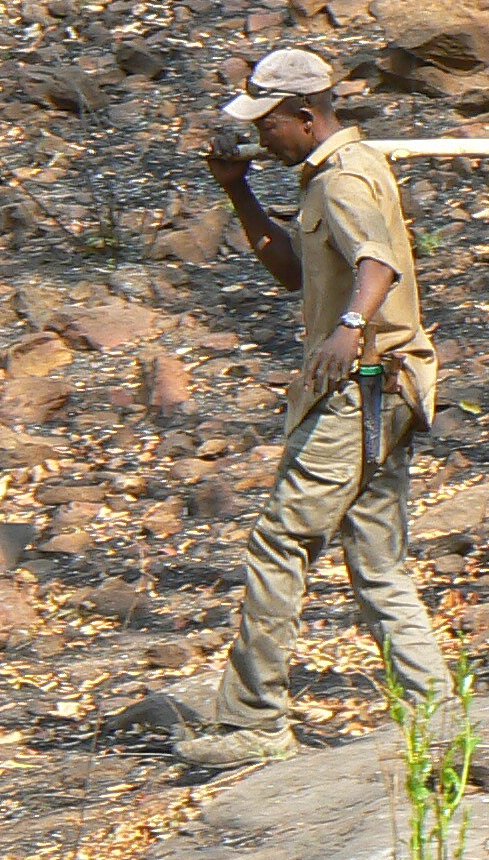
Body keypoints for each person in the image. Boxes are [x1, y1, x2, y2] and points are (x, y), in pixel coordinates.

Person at [179, 48, 451, 768]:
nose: (261, 138)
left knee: (280, 542)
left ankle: (253, 723)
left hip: (361, 385)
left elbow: (379, 263)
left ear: (307, 116)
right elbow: (293, 272)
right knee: (376, 559)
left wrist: (351, 327)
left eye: (268, 125)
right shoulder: (326, 177)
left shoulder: (345, 178)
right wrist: (237, 193)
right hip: (387, 387)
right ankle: (438, 717)